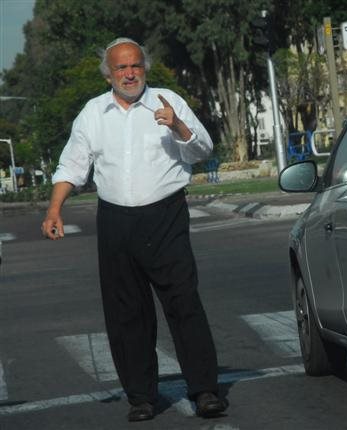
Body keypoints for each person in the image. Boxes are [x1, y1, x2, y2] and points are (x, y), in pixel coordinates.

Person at [41, 37, 227, 422]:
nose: (129, 73)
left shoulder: (168, 101)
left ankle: (205, 389)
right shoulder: (93, 113)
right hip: (115, 222)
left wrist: (177, 126)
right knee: (127, 311)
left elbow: (203, 149)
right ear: (108, 74)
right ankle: (141, 396)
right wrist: (55, 209)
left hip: (166, 217)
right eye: (121, 68)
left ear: (145, 68)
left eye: (136, 66)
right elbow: (73, 165)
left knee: (183, 302)